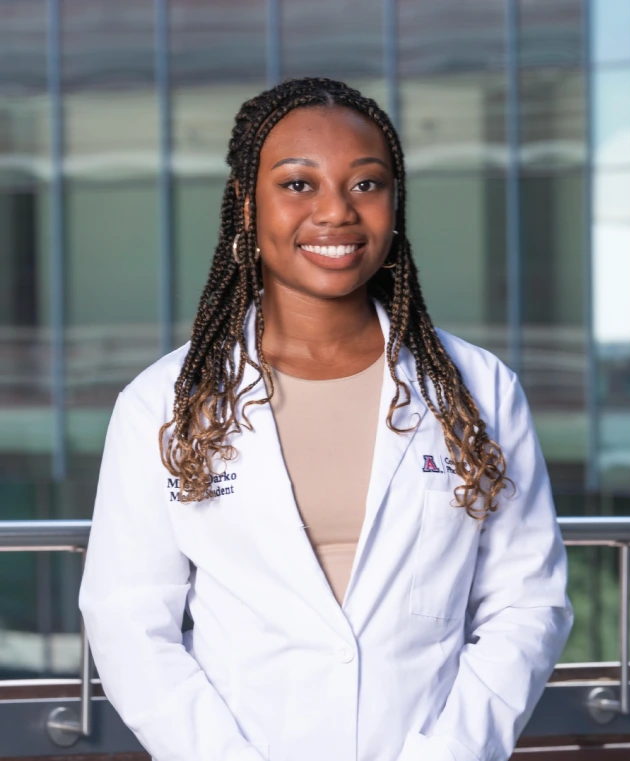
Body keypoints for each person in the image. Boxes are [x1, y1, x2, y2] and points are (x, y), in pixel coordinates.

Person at [77, 77, 574, 761]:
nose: (337, 212)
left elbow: (527, 603)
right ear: (247, 207)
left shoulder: (480, 391)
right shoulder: (163, 403)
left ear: (394, 206)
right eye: (298, 185)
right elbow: (130, 621)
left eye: (366, 185)